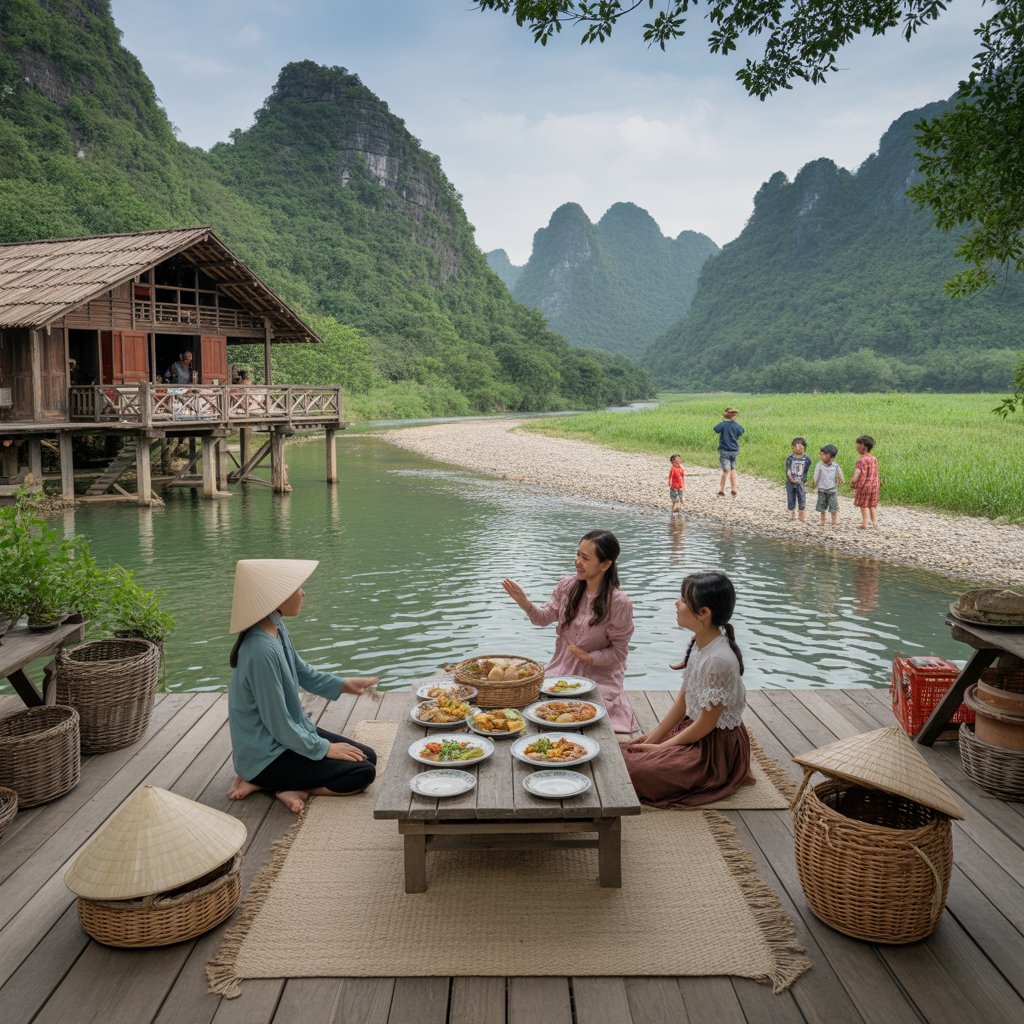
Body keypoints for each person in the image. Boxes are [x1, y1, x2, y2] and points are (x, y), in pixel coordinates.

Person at [226, 558, 379, 814]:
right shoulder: (260, 650)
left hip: (286, 738)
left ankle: (288, 784)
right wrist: (324, 748)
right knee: (363, 773)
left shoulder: (275, 626)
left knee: (367, 756)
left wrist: (343, 684)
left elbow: (301, 671)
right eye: (298, 588)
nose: (303, 592)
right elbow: (279, 724)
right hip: (267, 756)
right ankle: (276, 783)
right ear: (277, 598)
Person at [623, 571, 751, 807]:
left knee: (636, 773)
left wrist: (660, 749)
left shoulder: (719, 660)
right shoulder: (699, 644)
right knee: (626, 753)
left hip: (713, 748)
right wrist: (654, 738)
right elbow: (683, 701)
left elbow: (706, 724)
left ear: (704, 613)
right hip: (693, 729)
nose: (677, 603)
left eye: (683, 599)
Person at [501, 529, 637, 734]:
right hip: (561, 669)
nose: (577, 561)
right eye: (577, 554)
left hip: (599, 678)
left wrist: (590, 658)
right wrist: (525, 603)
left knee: (584, 714)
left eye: (585, 558)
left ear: (605, 564)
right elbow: (543, 618)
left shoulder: (619, 603)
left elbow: (619, 652)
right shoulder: (567, 585)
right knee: (536, 708)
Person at [850, 434, 880, 528]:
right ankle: (874, 523)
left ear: (863, 447)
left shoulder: (861, 460)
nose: (856, 448)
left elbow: (857, 473)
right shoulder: (874, 459)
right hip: (874, 485)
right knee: (872, 504)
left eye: (857, 446)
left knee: (864, 505)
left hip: (864, 486)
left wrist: (853, 482)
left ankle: (864, 523)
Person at [812, 444, 845, 527]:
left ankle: (834, 522)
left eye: (823, 454)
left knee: (833, 507)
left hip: (832, 490)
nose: (821, 456)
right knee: (822, 507)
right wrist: (814, 482)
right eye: (821, 454)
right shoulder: (819, 465)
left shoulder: (835, 466)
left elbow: (840, 474)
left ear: (830, 456)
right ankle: (823, 522)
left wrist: (841, 480)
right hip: (821, 489)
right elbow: (816, 475)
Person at [714, 406, 744, 497]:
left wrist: (723, 420)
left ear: (726, 416)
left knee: (725, 471)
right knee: (732, 469)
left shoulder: (723, 424)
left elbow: (716, 429)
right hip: (734, 450)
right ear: (735, 416)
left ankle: (721, 490)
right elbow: (741, 431)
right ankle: (734, 489)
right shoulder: (737, 426)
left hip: (724, 450)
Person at [785, 436, 812, 522]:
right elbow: (788, 470)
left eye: (801, 447)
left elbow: (806, 470)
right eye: (796, 447)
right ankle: (792, 514)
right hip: (790, 482)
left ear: (804, 448)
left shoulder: (807, 458)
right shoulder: (790, 458)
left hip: (800, 482)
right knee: (790, 497)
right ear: (792, 448)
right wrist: (791, 478)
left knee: (802, 497)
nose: (799, 449)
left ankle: (802, 515)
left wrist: (803, 480)